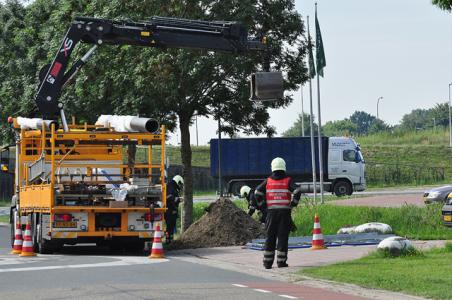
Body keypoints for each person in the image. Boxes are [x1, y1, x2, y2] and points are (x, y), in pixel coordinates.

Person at [255, 157, 301, 269]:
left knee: (270, 237)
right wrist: (293, 203)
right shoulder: (288, 180)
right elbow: (297, 191)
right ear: (284, 167)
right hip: (284, 213)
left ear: (272, 168)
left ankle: (267, 263)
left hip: (270, 214)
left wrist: (263, 207)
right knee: (282, 237)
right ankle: (281, 262)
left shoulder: (268, 181)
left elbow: (257, 192)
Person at [165, 175, 184, 244]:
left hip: (172, 209)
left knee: (172, 224)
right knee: (169, 224)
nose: (180, 186)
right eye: (180, 184)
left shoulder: (173, 186)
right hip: (169, 209)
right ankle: (168, 240)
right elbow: (169, 197)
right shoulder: (170, 186)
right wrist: (178, 199)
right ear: (177, 181)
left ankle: (171, 239)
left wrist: (178, 200)